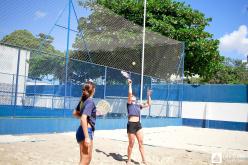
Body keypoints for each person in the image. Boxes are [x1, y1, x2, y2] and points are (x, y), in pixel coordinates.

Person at [126, 79, 152, 165]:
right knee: (131, 143)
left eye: (134, 96)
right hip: (131, 125)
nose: (132, 96)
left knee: (141, 142)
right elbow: (129, 93)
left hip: (138, 125)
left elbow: (149, 104)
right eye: (132, 96)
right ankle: (129, 160)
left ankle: (144, 160)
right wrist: (130, 84)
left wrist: (148, 95)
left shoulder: (138, 105)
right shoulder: (129, 104)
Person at [73, 81, 96, 165]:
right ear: (93, 90)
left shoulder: (83, 100)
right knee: (86, 159)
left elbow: (75, 113)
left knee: (86, 158)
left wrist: (89, 117)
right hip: (86, 132)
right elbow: (83, 118)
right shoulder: (90, 101)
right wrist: (87, 137)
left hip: (81, 131)